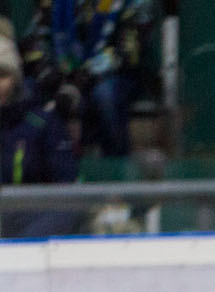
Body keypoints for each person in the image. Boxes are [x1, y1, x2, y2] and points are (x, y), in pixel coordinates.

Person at [18, 0, 151, 158]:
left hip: (112, 75)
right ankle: (30, 159)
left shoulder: (128, 3)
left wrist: (87, 73)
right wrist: (47, 70)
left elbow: (130, 51)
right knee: (27, 89)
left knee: (104, 95)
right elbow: (35, 40)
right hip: (62, 72)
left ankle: (116, 162)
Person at [0, 32, 80, 238]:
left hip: (30, 230)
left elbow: (67, 196)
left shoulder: (43, 124)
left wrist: (26, 246)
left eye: (2, 75)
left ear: (15, 79)